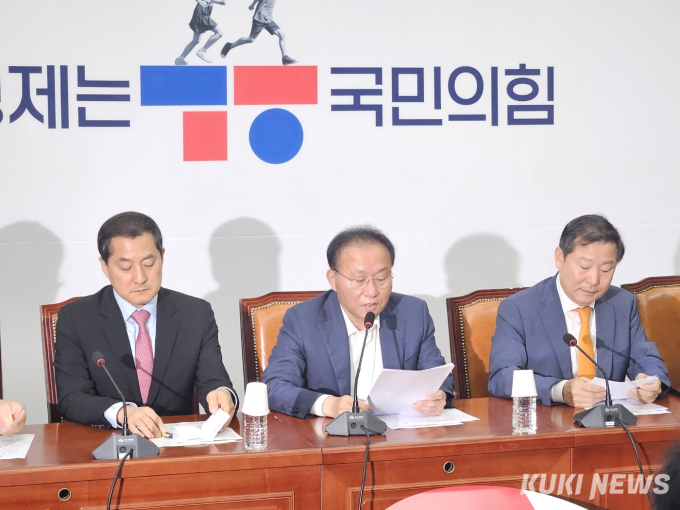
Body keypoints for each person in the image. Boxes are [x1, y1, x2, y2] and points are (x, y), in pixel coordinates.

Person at [55, 212, 237, 438]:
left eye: (149, 264)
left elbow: (214, 379)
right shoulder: (77, 318)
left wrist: (222, 394)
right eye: (125, 268)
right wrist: (122, 412)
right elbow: (71, 397)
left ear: (162, 257)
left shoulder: (195, 314)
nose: (140, 277)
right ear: (105, 266)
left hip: (176, 444)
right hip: (107, 442)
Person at [262, 226, 454, 419]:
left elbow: (438, 375)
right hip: (331, 433)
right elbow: (275, 386)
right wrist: (328, 405)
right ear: (333, 279)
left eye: (381, 278)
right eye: (359, 280)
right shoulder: (304, 319)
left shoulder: (412, 313)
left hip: (400, 431)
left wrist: (439, 396)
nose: (372, 291)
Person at [488, 214, 669, 408]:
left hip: (609, 420)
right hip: (549, 419)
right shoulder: (519, 308)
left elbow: (645, 358)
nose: (594, 280)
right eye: (584, 266)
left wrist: (650, 381)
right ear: (560, 258)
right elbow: (502, 376)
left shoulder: (622, 303)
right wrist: (559, 390)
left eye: (606, 270)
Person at [219, 0, 297, 66]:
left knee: (282, 34)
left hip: (268, 19)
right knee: (251, 39)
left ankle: (285, 58)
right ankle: (229, 45)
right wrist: (252, 5)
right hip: (260, 18)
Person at [175, 0, 226, 65]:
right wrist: (199, 1)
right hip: (202, 12)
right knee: (219, 33)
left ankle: (180, 59)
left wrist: (218, 2)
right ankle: (202, 51)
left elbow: (220, 2)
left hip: (204, 12)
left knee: (196, 40)